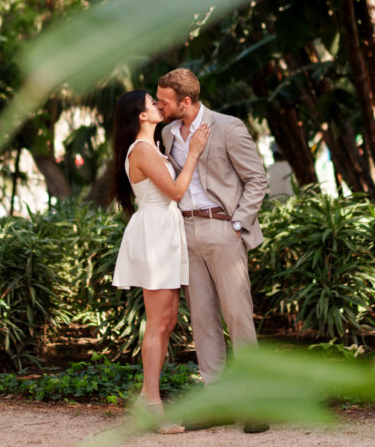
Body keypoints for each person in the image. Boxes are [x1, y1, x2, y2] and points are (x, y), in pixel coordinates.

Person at [156, 69, 270, 434]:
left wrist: (237, 225)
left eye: (165, 102)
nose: (160, 106)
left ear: (185, 102)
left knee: (238, 317)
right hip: (185, 232)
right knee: (203, 320)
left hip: (223, 228)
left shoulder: (228, 127)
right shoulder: (167, 133)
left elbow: (257, 179)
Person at [110, 89, 209, 434]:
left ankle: (145, 399)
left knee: (165, 321)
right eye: (153, 103)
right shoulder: (141, 150)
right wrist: (194, 152)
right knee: (158, 322)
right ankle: (152, 406)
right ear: (141, 115)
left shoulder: (152, 147)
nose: (158, 106)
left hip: (165, 231)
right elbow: (176, 191)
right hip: (156, 233)